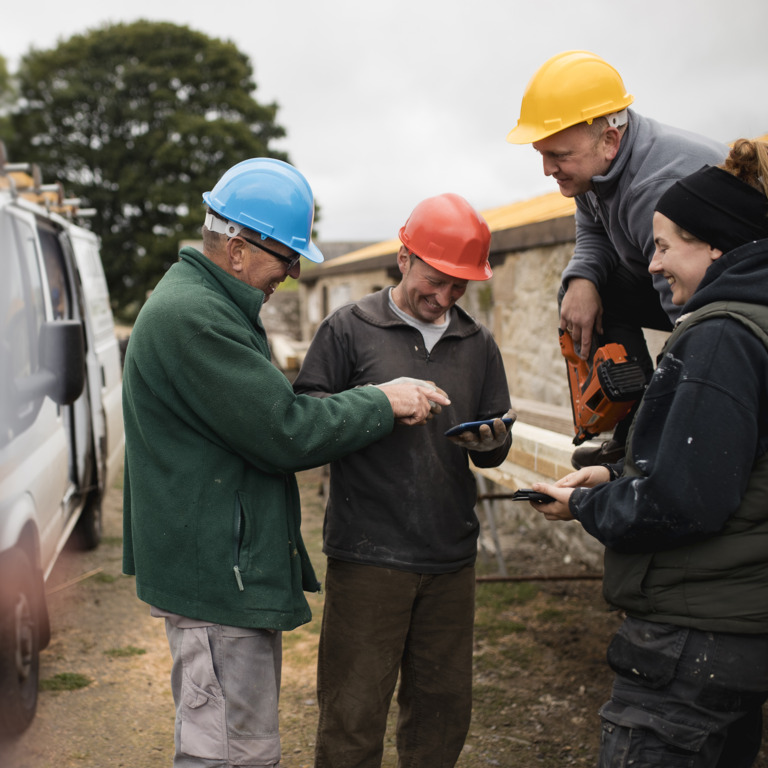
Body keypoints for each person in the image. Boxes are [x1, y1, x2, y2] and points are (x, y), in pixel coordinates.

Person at [121, 157, 451, 768]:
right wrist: (381, 399)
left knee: (234, 741)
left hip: (223, 566)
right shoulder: (196, 319)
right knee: (227, 751)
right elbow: (286, 431)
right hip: (217, 574)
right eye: (286, 258)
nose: (292, 274)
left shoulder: (208, 304)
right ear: (239, 248)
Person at [531, 139, 768, 767]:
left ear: (715, 244)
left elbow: (679, 499)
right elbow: (732, 464)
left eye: (663, 247)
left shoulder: (721, 335)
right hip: (742, 626)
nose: (652, 265)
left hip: (692, 639)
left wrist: (589, 504)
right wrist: (616, 469)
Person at [292, 193, 514, 768]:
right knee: (353, 713)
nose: (443, 299)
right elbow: (306, 426)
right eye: (435, 281)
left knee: (441, 714)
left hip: (450, 555)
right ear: (404, 257)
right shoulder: (348, 329)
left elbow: (496, 440)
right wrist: (378, 406)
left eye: (458, 287)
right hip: (368, 554)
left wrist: (493, 441)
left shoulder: (478, 343)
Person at [506, 50, 728, 468]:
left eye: (558, 155)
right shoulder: (594, 172)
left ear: (609, 140)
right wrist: (583, 280)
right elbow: (593, 227)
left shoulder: (655, 190)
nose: (547, 168)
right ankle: (629, 426)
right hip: (696, 297)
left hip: (732, 306)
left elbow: (689, 318)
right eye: (541, 153)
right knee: (591, 284)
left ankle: (649, 436)